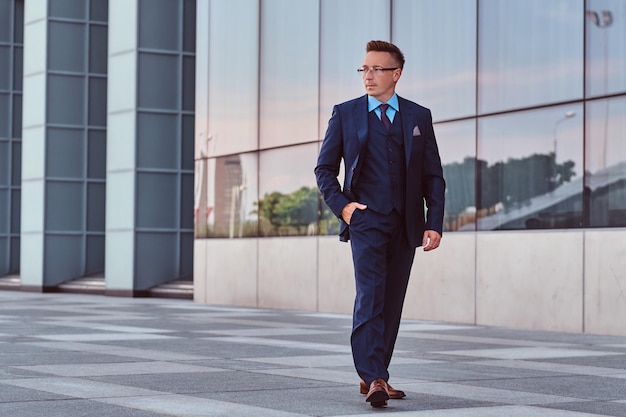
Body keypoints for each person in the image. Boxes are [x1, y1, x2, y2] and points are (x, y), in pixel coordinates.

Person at [314, 40, 445, 408]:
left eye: (376, 69)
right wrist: (345, 209)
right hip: (366, 221)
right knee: (370, 296)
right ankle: (373, 376)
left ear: (396, 74)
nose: (368, 76)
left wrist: (434, 221)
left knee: (392, 301)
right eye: (364, 69)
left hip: (406, 224)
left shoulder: (419, 116)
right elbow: (324, 169)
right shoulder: (346, 113)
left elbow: (433, 174)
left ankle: (377, 373)